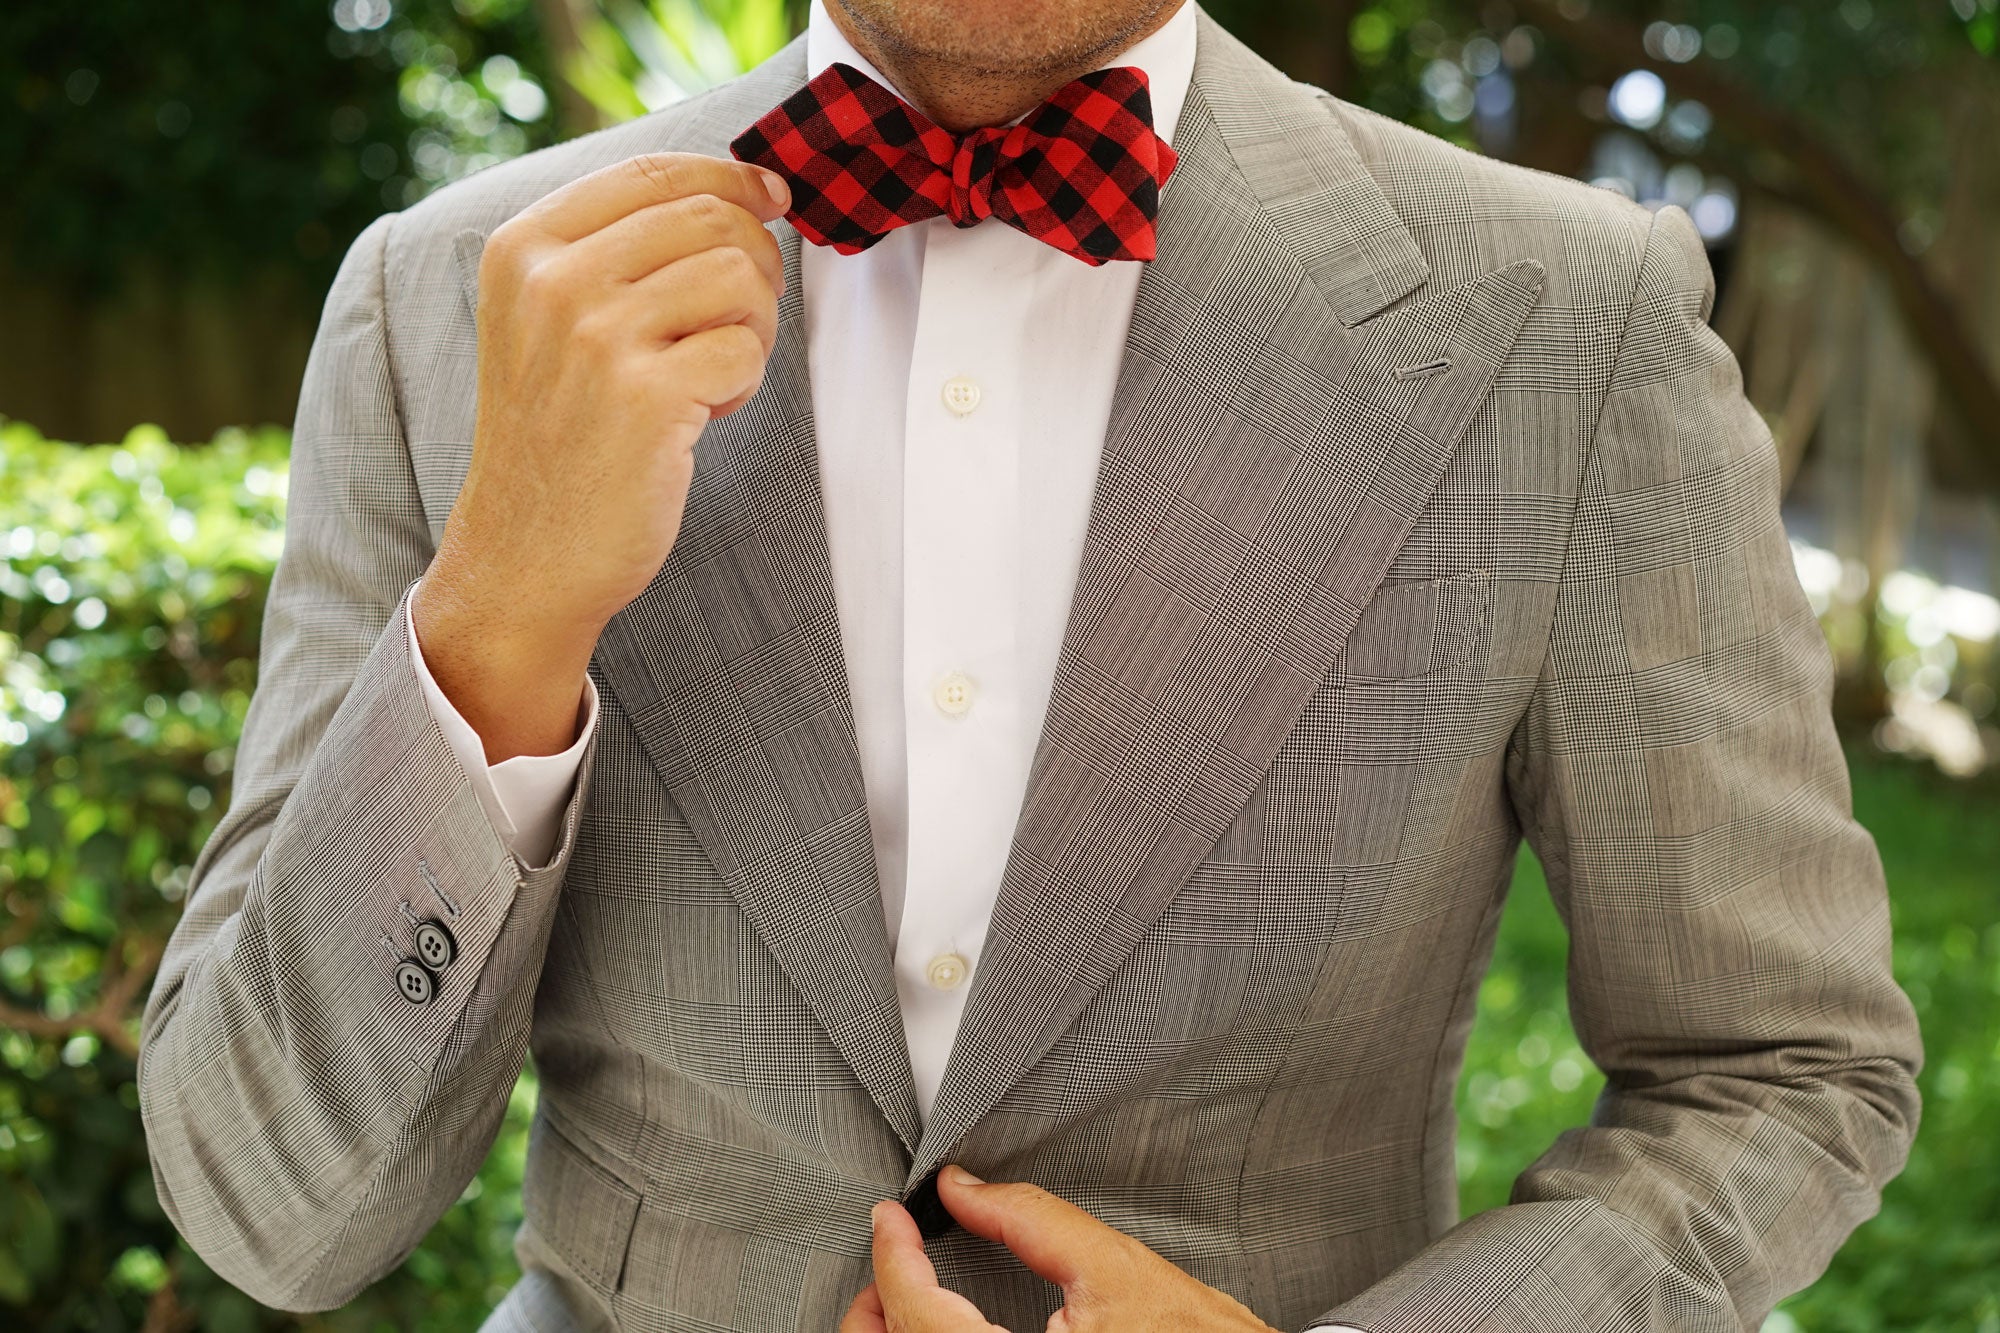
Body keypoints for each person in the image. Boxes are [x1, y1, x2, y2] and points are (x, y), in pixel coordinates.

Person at [136, 0, 1923, 1329]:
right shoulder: (441, 300)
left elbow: (1781, 1069)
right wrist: (502, 611)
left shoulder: (1571, 322)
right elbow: (272, 1203)